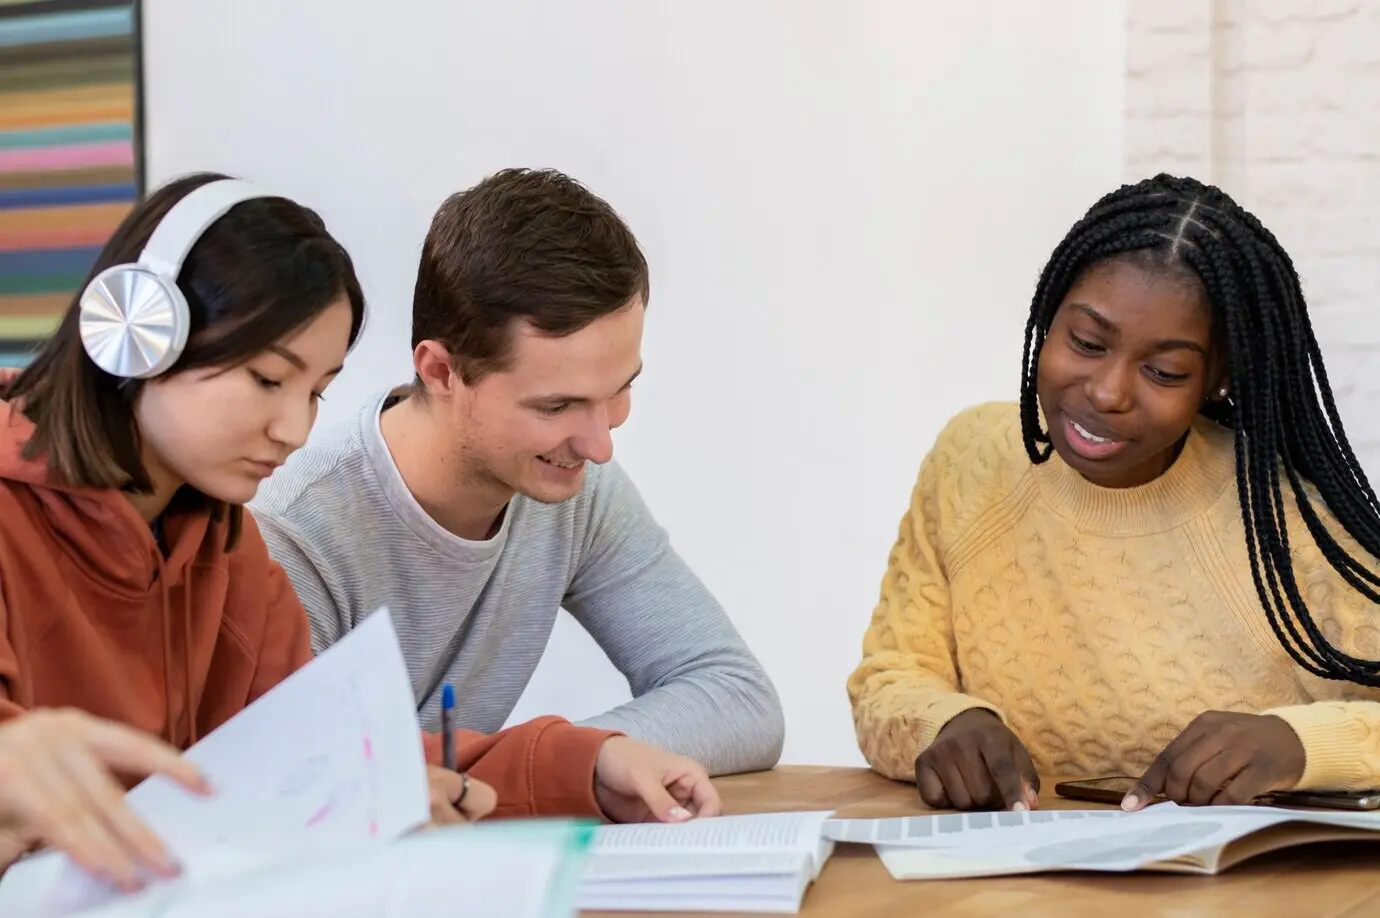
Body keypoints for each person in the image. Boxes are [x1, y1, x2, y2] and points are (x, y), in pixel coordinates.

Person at [0, 173, 716, 890]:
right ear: (135, 333)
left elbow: (320, 759)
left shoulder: (227, 548)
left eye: (315, 391)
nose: (293, 429)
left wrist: (585, 763)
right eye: (267, 379)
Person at [847, 173, 1380, 813]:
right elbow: (891, 674)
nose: (1107, 392)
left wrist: (1297, 745)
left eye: (1164, 371)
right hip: (1014, 868)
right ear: (1048, 318)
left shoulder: (1289, 519)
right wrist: (946, 722)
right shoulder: (970, 461)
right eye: (1086, 342)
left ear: (1217, 378)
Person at [249, 167, 784, 776]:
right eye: (556, 407)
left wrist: (583, 759)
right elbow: (302, 784)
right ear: (442, 372)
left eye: (619, 390)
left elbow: (738, 699)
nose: (599, 446)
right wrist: (554, 765)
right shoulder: (292, 536)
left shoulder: (578, 494)